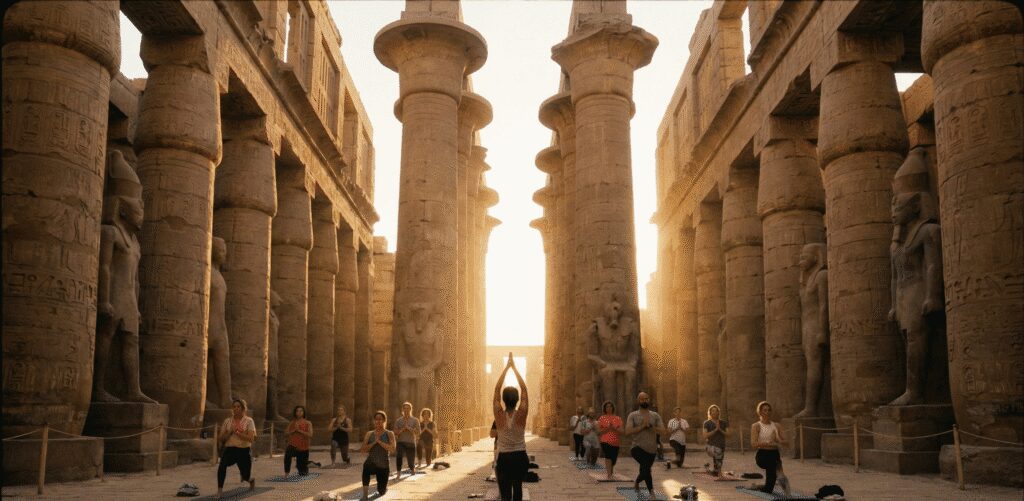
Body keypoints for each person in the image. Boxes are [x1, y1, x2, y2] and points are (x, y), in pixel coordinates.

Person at [493, 352, 529, 501]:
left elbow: (496, 391)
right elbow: (525, 391)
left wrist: (506, 368)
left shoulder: (499, 415)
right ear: (516, 400)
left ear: (503, 400)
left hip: (504, 457)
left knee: (505, 493)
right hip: (520, 456)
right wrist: (514, 368)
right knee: (518, 490)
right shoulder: (521, 414)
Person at [625, 392, 667, 496]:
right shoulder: (633, 415)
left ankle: (637, 482)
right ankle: (652, 492)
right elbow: (627, 431)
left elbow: (663, 431)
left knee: (645, 469)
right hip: (637, 447)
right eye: (642, 399)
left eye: (646, 399)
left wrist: (652, 427)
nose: (645, 401)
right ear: (638, 401)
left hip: (651, 449)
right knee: (647, 469)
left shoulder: (655, 415)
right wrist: (642, 426)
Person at [216, 399, 256, 499]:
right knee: (222, 466)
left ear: (243, 408)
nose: (236, 408)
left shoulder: (249, 421)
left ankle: (250, 480)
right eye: (234, 406)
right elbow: (220, 438)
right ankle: (220, 491)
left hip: (243, 450)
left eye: (238, 406)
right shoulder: (227, 421)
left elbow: (251, 439)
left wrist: (238, 433)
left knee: (245, 475)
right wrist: (230, 432)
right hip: (230, 449)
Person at [751, 401, 790, 496]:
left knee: (769, 489)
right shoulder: (756, 426)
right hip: (762, 456)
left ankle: (758, 486)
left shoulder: (776, 425)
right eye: (764, 410)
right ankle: (787, 493)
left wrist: (778, 441)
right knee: (777, 471)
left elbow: (786, 442)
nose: (767, 412)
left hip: (774, 455)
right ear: (760, 412)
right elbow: (754, 444)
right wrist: (770, 443)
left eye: (769, 410)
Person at [360, 411, 396, 500]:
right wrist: (373, 443)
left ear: (384, 420)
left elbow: (392, 449)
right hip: (371, 462)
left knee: (381, 491)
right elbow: (363, 450)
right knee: (366, 467)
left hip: (383, 465)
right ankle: (365, 495)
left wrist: (379, 442)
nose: (378, 421)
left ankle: (383, 488)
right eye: (376, 419)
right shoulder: (369, 434)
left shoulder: (389, 433)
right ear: (374, 421)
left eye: (380, 419)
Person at [597, 400, 623, 480]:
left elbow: (622, 431)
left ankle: (610, 471)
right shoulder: (602, 418)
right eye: (607, 406)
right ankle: (609, 475)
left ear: (613, 408)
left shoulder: (618, 418)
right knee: (608, 456)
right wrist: (608, 428)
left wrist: (614, 428)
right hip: (605, 441)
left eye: (610, 406)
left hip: (615, 442)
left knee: (613, 459)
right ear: (604, 408)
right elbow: (599, 432)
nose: (609, 408)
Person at [393, 401, 420, 479]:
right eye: (404, 409)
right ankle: (398, 473)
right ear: (402, 410)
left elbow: (418, 432)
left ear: (410, 410)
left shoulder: (415, 420)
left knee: (410, 460)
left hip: (410, 442)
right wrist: (402, 429)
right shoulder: (398, 420)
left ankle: (412, 468)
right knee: (399, 456)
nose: (406, 410)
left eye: (408, 409)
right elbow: (395, 432)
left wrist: (409, 428)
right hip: (401, 442)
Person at [284, 405, 312, 476]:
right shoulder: (292, 422)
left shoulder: (308, 423)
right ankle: (286, 472)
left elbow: (310, 434)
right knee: (288, 454)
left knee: (302, 473)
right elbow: (286, 433)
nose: (299, 412)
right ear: (295, 412)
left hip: (304, 447)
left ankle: (304, 468)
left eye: (301, 411)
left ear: (303, 412)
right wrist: (293, 431)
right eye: (297, 411)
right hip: (293, 445)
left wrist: (299, 430)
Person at [702, 404, 729, 476]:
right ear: (710, 413)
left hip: (721, 445)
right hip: (711, 446)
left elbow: (728, 434)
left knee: (716, 467)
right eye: (713, 411)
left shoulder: (723, 423)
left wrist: (719, 429)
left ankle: (712, 470)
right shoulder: (707, 423)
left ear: (718, 412)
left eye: (716, 411)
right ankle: (719, 472)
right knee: (718, 457)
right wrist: (715, 430)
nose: (714, 412)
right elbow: (705, 435)